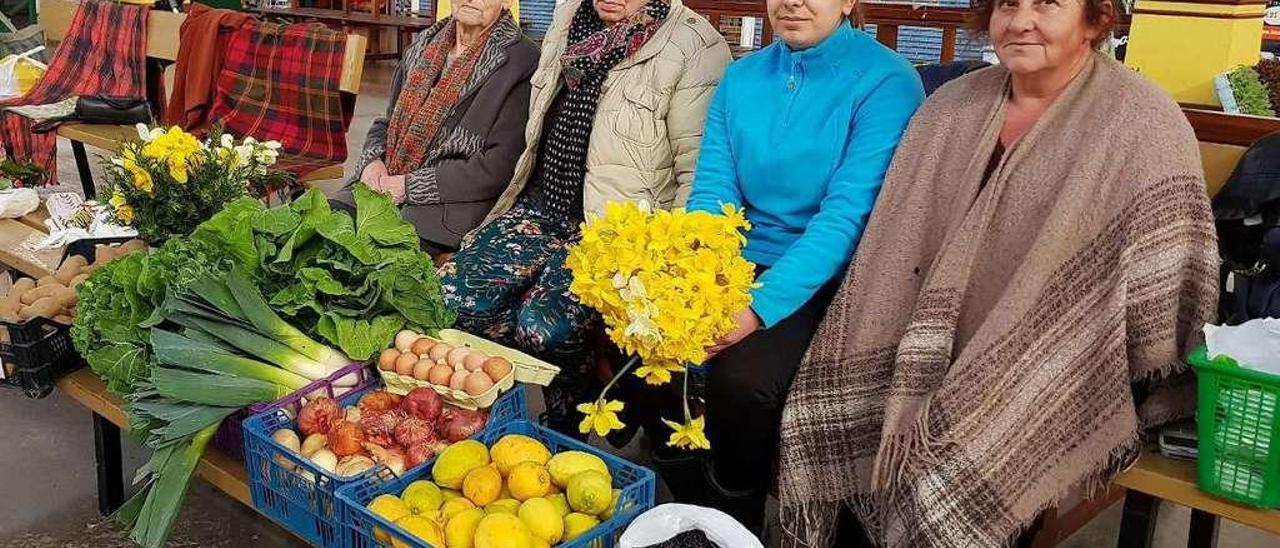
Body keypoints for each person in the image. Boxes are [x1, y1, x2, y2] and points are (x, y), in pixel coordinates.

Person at [775, 0, 1219, 544]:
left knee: (954, 468)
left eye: (1048, 4)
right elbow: (895, 245)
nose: (1021, 21)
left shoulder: (1141, 122)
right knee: (819, 417)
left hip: (1053, 361)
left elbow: (1169, 276)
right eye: (1008, 4)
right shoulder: (950, 108)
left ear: (1096, 20)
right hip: (914, 337)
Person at [671, 0, 924, 534]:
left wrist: (755, 310)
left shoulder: (887, 82)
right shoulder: (742, 78)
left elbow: (845, 218)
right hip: (734, 260)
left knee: (744, 383)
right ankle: (686, 501)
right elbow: (713, 187)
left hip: (825, 274)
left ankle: (733, 522)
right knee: (647, 350)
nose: (794, 2)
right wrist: (697, 279)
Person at [439, 0, 732, 434]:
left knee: (543, 328)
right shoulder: (570, 16)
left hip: (614, 231)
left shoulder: (694, 45)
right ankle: (501, 412)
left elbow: (697, 171)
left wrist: (665, 265)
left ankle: (567, 417)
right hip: (541, 206)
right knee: (453, 298)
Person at [333, 0, 538, 259]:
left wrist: (409, 187)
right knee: (317, 233)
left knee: (370, 265)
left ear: (508, 2)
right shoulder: (421, 47)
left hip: (445, 209)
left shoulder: (521, 61)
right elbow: (387, 122)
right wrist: (372, 163)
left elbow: (499, 167)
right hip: (383, 186)